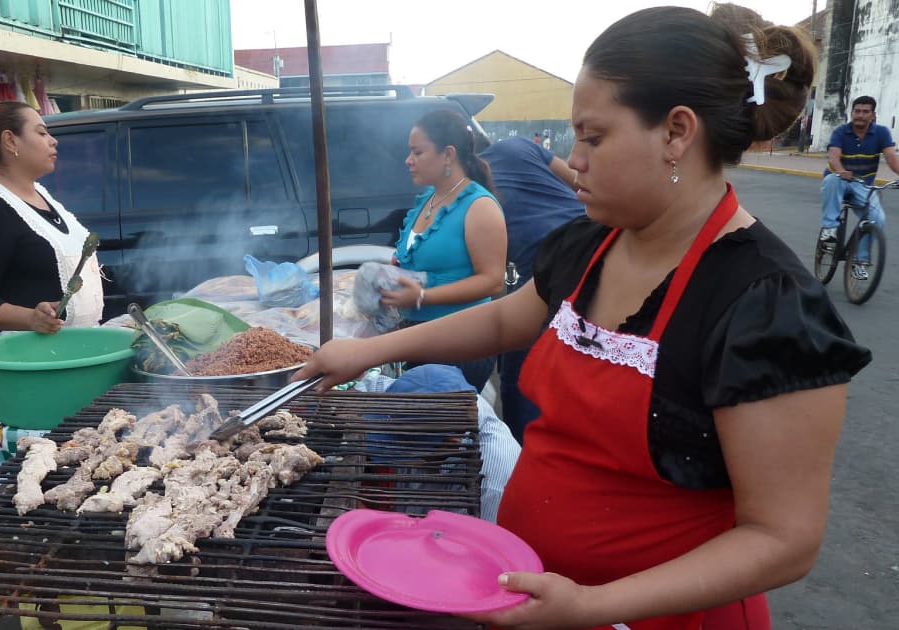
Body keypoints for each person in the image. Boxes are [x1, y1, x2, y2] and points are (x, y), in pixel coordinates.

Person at [296, 6, 871, 629]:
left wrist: (593, 605)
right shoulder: (590, 243)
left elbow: (783, 538)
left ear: (676, 133)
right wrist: (366, 352)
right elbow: (500, 322)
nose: (575, 159)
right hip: (538, 591)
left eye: (594, 138)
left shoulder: (765, 302)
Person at [0, 100, 105, 462]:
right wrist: (30, 318)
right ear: (10, 141)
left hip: (69, 360)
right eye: (41, 132)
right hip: (28, 372)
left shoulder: (40, 195)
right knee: (36, 470)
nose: (54, 141)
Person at [382, 108, 507, 392]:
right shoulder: (429, 197)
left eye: (417, 152)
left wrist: (424, 295)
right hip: (421, 337)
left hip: (461, 343)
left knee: (444, 430)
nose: (408, 160)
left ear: (448, 154)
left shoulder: (479, 206)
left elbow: (492, 280)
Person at [479, 137, 586, 442]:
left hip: (549, 262)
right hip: (589, 237)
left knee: (520, 373)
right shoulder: (517, 144)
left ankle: (523, 450)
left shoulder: (465, 191)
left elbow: (485, 281)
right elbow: (578, 181)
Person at [819, 95, 899, 280]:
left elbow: (891, 159)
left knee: (877, 218)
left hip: (863, 185)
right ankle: (829, 229)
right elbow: (834, 157)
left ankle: (859, 261)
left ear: (873, 115)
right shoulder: (840, 132)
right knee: (831, 179)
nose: (860, 115)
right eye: (857, 111)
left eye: (865, 112)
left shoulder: (882, 133)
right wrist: (840, 170)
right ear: (852, 112)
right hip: (840, 181)